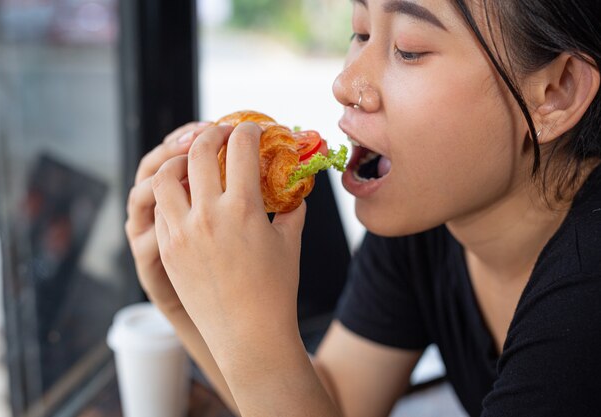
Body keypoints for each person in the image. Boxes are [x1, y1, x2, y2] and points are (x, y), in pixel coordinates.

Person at [124, 0, 601, 415]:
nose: (345, 82)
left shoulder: (586, 303)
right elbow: (336, 403)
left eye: (409, 49)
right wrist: (183, 302)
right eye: (361, 31)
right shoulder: (429, 217)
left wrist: (256, 334)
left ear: (555, 92)